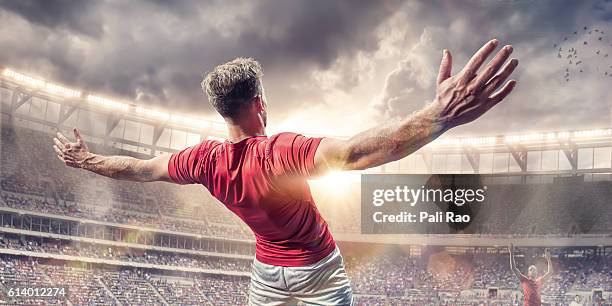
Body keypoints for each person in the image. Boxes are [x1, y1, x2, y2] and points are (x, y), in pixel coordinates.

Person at [53, 39, 518, 305]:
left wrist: (84, 160)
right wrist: (440, 115)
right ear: (259, 103)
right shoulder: (279, 152)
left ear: (222, 112)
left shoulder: (202, 160)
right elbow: (358, 153)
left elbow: (138, 168)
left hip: (265, 275)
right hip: (319, 272)